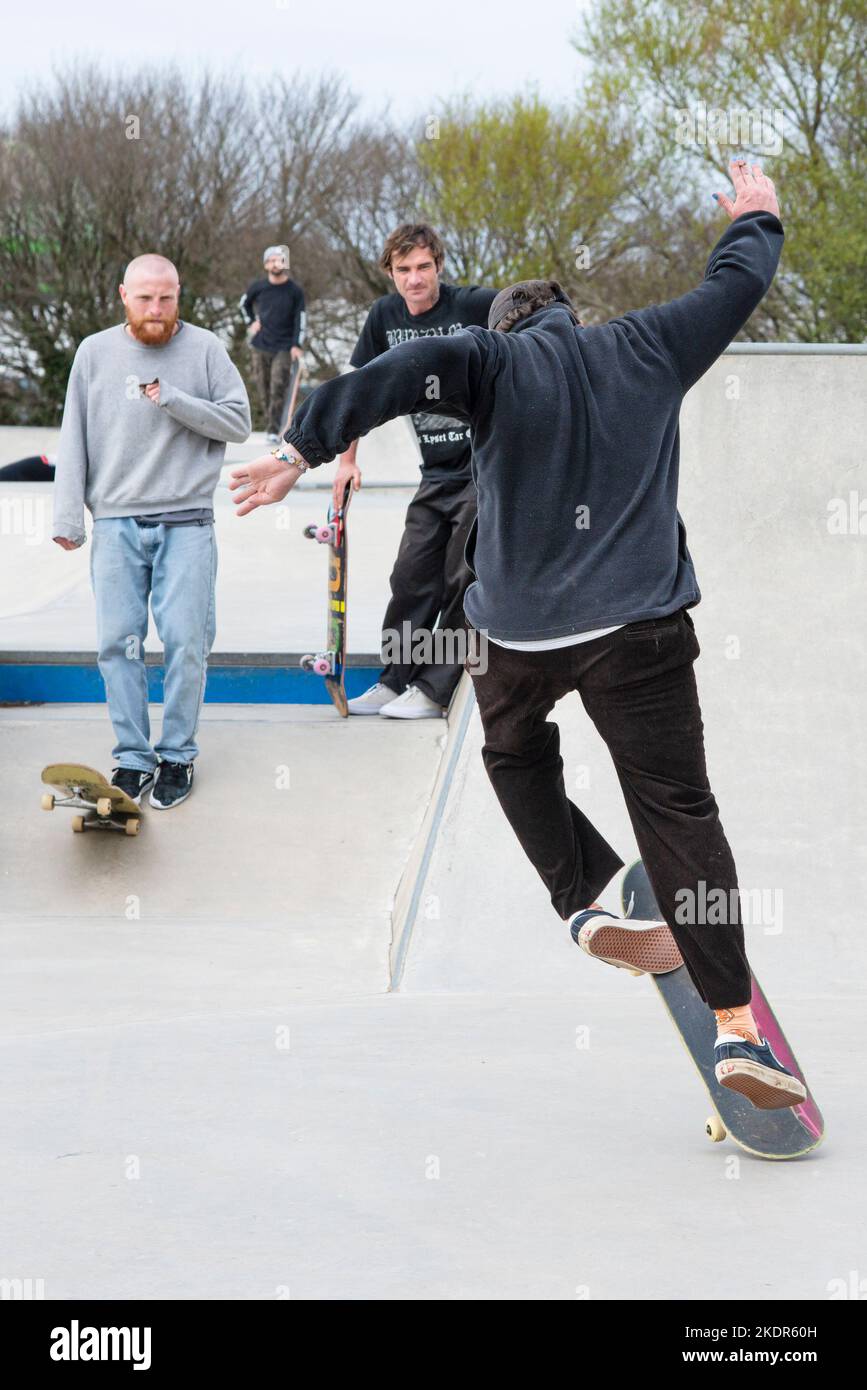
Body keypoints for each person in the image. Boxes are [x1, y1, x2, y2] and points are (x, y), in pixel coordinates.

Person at [229, 160, 804, 1109]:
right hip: (639, 629)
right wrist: (757, 216)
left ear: (500, 327)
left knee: (509, 751)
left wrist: (305, 444)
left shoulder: (487, 360)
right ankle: (738, 1028)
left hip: (517, 635)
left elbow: (406, 368)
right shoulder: (647, 344)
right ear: (572, 318)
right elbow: (734, 283)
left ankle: (581, 900)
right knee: (676, 810)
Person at [52, 253, 251, 809]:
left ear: (178, 294)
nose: (157, 309)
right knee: (118, 645)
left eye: (166, 297)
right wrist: (68, 517)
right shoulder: (94, 353)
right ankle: (133, 759)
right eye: (145, 298)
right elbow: (74, 437)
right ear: (123, 296)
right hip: (115, 523)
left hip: (187, 522)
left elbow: (239, 422)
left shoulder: (206, 349)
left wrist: (174, 399)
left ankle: (178, 756)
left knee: (187, 643)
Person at [331, 223, 497, 718]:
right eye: (403, 269)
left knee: (460, 574)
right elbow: (359, 385)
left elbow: (532, 310)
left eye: (424, 267)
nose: (415, 278)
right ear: (390, 273)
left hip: (481, 469)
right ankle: (394, 679)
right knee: (411, 576)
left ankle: (433, 690)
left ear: (439, 268)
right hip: (435, 473)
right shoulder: (383, 317)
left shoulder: (470, 305)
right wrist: (346, 459)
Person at [241, 245, 306, 443]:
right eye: (271, 260)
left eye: (279, 260)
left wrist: (297, 344)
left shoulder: (295, 291)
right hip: (261, 344)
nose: (275, 264)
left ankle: (273, 429)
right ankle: (272, 423)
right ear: (266, 264)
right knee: (263, 386)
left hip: (284, 346)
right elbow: (243, 304)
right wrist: (251, 322)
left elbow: (301, 318)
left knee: (278, 385)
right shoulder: (258, 287)